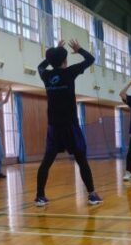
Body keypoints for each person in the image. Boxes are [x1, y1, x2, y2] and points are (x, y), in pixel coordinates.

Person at [35, 39, 102, 207]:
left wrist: (54, 51)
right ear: (64, 61)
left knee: (46, 162)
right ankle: (92, 195)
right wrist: (79, 50)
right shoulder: (69, 72)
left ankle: (40, 196)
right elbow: (90, 59)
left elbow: (40, 66)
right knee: (81, 160)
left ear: (51, 61)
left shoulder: (46, 76)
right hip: (70, 126)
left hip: (53, 127)